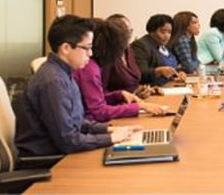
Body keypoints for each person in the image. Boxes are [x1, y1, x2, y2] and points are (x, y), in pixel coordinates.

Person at [15, 15, 138, 155]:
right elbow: (68, 141)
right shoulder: (54, 81)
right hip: (51, 160)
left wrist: (109, 129)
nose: (90, 54)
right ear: (66, 48)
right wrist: (111, 138)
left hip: (62, 151)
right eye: (86, 48)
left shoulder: (64, 72)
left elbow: (76, 121)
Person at [72, 19, 167, 122]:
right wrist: (139, 107)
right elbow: (98, 111)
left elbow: (94, 99)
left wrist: (119, 95)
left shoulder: (93, 65)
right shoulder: (89, 69)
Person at [102, 14, 153, 98]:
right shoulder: (107, 55)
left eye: (130, 31)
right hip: (119, 106)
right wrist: (131, 96)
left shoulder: (128, 50)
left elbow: (134, 83)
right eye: (124, 31)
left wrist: (145, 89)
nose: (129, 35)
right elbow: (101, 92)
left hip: (137, 102)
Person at [132, 14, 185, 85]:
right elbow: (140, 73)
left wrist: (179, 73)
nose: (167, 35)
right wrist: (158, 71)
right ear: (152, 31)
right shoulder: (141, 45)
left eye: (169, 32)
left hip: (168, 86)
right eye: (163, 31)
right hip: (151, 89)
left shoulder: (164, 46)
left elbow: (173, 67)